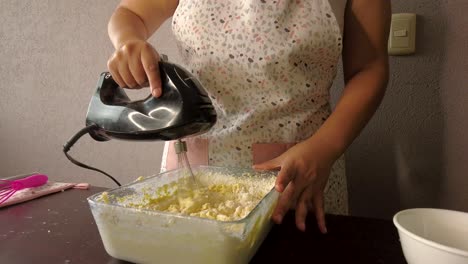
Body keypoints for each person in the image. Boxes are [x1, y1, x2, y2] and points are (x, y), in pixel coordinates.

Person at [107, 0, 391, 234]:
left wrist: (324, 148)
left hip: (300, 175)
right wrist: (128, 43)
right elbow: (130, 14)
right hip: (192, 174)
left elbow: (370, 68)